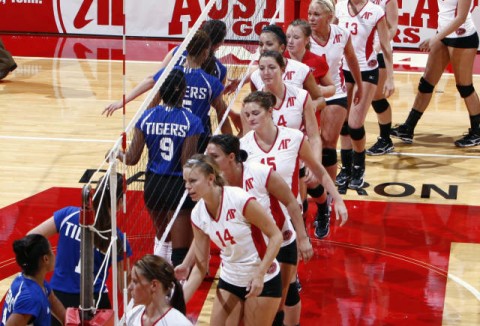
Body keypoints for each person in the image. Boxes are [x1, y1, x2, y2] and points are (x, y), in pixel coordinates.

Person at [240, 91, 348, 325]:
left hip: (289, 220)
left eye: (256, 113)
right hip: (259, 225)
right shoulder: (243, 147)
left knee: (287, 290)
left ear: (271, 112)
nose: (250, 118)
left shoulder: (294, 138)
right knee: (264, 288)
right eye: (247, 114)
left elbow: (318, 170)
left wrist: (337, 198)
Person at [205, 134, 313, 325]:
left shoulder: (260, 172)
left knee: (280, 305)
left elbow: (290, 201)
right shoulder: (215, 185)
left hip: (279, 242)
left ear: (231, 157)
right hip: (250, 252)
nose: (208, 160)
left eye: (214, 156)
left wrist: (303, 238)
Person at [179, 154, 283, 325]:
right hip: (230, 278)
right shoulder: (197, 215)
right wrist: (175, 306)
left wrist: (260, 272)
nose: (187, 187)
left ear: (210, 179)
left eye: (193, 181)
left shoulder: (239, 199)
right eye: (185, 182)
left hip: (262, 279)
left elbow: (276, 236)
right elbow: (200, 266)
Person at [118, 70, 204, 266]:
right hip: (177, 186)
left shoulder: (146, 117)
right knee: (179, 250)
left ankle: (157, 282)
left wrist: (116, 154)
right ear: (183, 91)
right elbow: (186, 166)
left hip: (153, 186)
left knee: (162, 237)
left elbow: (131, 159)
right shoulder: (192, 121)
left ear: (161, 92)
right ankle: (176, 291)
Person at [27, 174, 132, 318]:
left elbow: (30, 237)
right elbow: (124, 287)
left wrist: (48, 261)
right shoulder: (117, 238)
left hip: (58, 297)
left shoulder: (68, 214)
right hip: (95, 300)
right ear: (120, 202)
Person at [103, 30, 231, 147]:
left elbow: (151, 98)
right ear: (206, 52)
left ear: (186, 48)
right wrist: (231, 144)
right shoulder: (212, 82)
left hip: (169, 130)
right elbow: (222, 112)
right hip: (197, 135)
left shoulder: (169, 75)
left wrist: (123, 103)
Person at [391, 0, 480, 148]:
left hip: (462, 37)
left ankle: (477, 132)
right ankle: (408, 128)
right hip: (443, 35)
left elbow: (461, 18)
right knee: (426, 83)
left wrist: (435, 38)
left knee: (464, 86)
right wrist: (438, 36)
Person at [335, 0, 395, 189]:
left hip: (367, 71)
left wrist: (390, 77)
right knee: (343, 123)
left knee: (354, 124)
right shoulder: (340, 6)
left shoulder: (375, 11)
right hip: (343, 70)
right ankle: (345, 167)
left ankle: (359, 166)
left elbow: (385, 45)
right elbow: (333, 38)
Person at [1, 234, 65, 326]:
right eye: (51, 251)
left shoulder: (32, 280)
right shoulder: (31, 299)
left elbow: (53, 301)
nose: (54, 254)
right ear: (46, 259)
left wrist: (69, 321)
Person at [366, 0, 399, 155]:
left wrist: (376, 47)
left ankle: (385, 139)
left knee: (377, 97)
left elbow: (392, 28)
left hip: (378, 52)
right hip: (356, 53)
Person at [126, 255, 192, 325]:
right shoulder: (132, 316)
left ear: (154, 285)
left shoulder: (179, 323)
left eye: (135, 281)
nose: (129, 287)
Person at [158, 20, 228, 84]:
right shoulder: (220, 70)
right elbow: (214, 95)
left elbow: (158, 80)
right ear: (218, 44)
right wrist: (222, 89)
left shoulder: (177, 52)